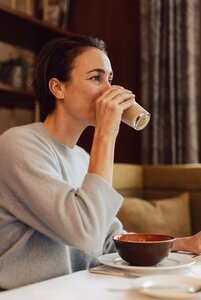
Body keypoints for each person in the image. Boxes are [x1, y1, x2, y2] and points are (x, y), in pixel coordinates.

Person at [0, 35, 200, 290]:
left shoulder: (83, 158)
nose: (109, 90)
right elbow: (84, 232)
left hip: (77, 288)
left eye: (110, 79)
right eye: (96, 78)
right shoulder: (17, 145)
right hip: (28, 294)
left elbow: (107, 240)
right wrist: (106, 133)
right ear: (57, 88)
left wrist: (183, 244)